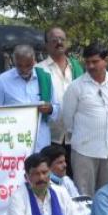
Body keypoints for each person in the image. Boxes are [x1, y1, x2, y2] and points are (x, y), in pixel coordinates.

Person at [62, 42, 108, 195]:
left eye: (95, 61)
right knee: (84, 196)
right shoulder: (76, 86)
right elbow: (67, 119)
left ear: (106, 60)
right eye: (87, 62)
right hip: (85, 151)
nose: (90, 66)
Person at [0, 44, 60, 153]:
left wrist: (50, 109)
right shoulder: (2, 80)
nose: (24, 69)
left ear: (34, 61)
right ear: (14, 62)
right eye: (20, 65)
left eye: (28, 65)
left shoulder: (45, 79)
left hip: (40, 141)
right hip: (13, 141)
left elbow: (57, 108)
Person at [38, 27, 82, 158]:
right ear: (46, 45)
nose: (59, 42)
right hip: (50, 135)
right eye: (54, 40)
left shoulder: (77, 67)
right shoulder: (39, 69)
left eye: (62, 39)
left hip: (75, 135)